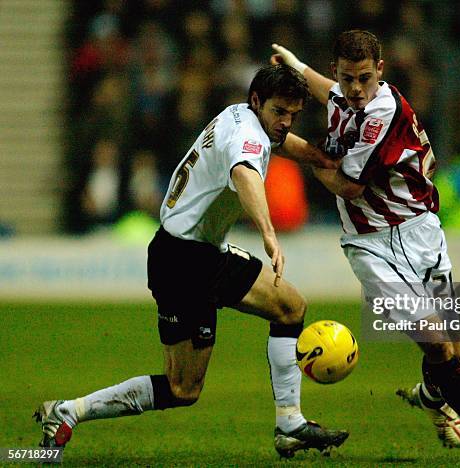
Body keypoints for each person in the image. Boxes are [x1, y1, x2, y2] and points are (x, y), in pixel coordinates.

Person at [34, 64, 348, 459]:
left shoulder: (242, 116)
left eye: (292, 115)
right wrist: (268, 231)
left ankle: (290, 423)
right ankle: (68, 411)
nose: (285, 122)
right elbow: (245, 172)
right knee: (182, 389)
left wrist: (317, 156)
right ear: (257, 102)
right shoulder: (247, 138)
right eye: (279, 112)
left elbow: (278, 143)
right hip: (181, 262)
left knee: (290, 307)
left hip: (202, 253)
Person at [271, 30, 460, 463]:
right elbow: (330, 95)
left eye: (363, 78)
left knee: (453, 347)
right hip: (372, 244)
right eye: (346, 79)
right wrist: (298, 65)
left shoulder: (381, 113)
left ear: (380, 71)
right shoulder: (347, 94)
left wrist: (289, 146)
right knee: (437, 345)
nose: (355, 90)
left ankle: (432, 399)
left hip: (421, 231)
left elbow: (348, 185)